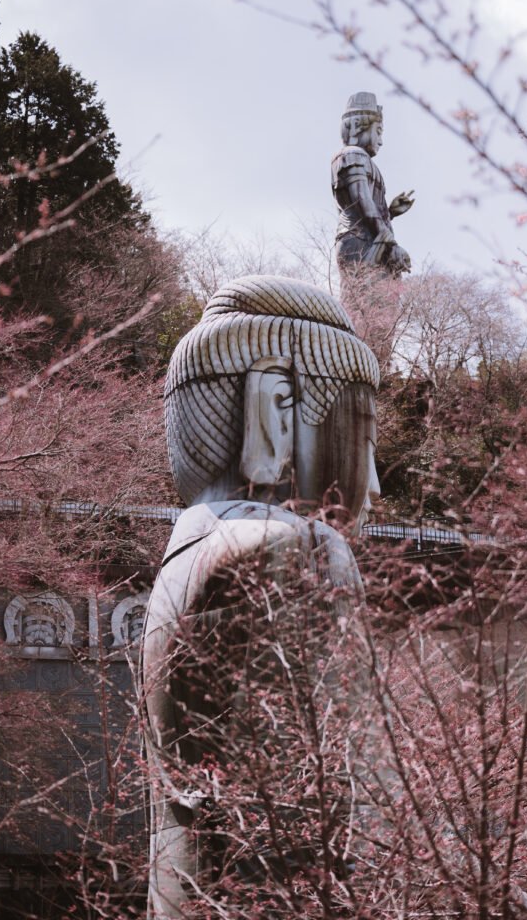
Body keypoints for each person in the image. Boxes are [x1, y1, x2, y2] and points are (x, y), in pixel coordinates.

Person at [142, 275, 380, 917]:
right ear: (273, 411)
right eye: (364, 431)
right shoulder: (281, 548)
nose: (374, 479)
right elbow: (305, 805)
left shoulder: (190, 549)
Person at [332, 91, 414, 277]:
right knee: (364, 296)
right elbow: (363, 204)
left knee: (384, 300)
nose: (381, 141)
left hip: (374, 238)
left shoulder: (363, 160)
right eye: (378, 132)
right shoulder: (350, 155)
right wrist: (391, 244)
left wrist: (389, 212)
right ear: (357, 126)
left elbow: (369, 207)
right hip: (358, 239)